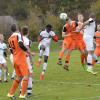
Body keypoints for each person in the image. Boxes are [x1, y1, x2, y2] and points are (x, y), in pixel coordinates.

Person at [7, 24, 29, 99]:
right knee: (26, 76)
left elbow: (11, 50)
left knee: (19, 77)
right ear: (17, 28)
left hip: (15, 59)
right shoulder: (18, 35)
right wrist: (28, 52)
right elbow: (21, 44)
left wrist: (16, 54)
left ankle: (11, 93)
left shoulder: (9, 38)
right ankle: (22, 95)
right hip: (21, 59)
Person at [21, 26, 35, 95]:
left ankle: (22, 90)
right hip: (26, 58)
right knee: (29, 74)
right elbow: (27, 49)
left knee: (23, 75)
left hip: (20, 58)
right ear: (28, 32)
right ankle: (29, 91)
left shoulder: (20, 39)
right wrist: (31, 59)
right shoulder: (26, 40)